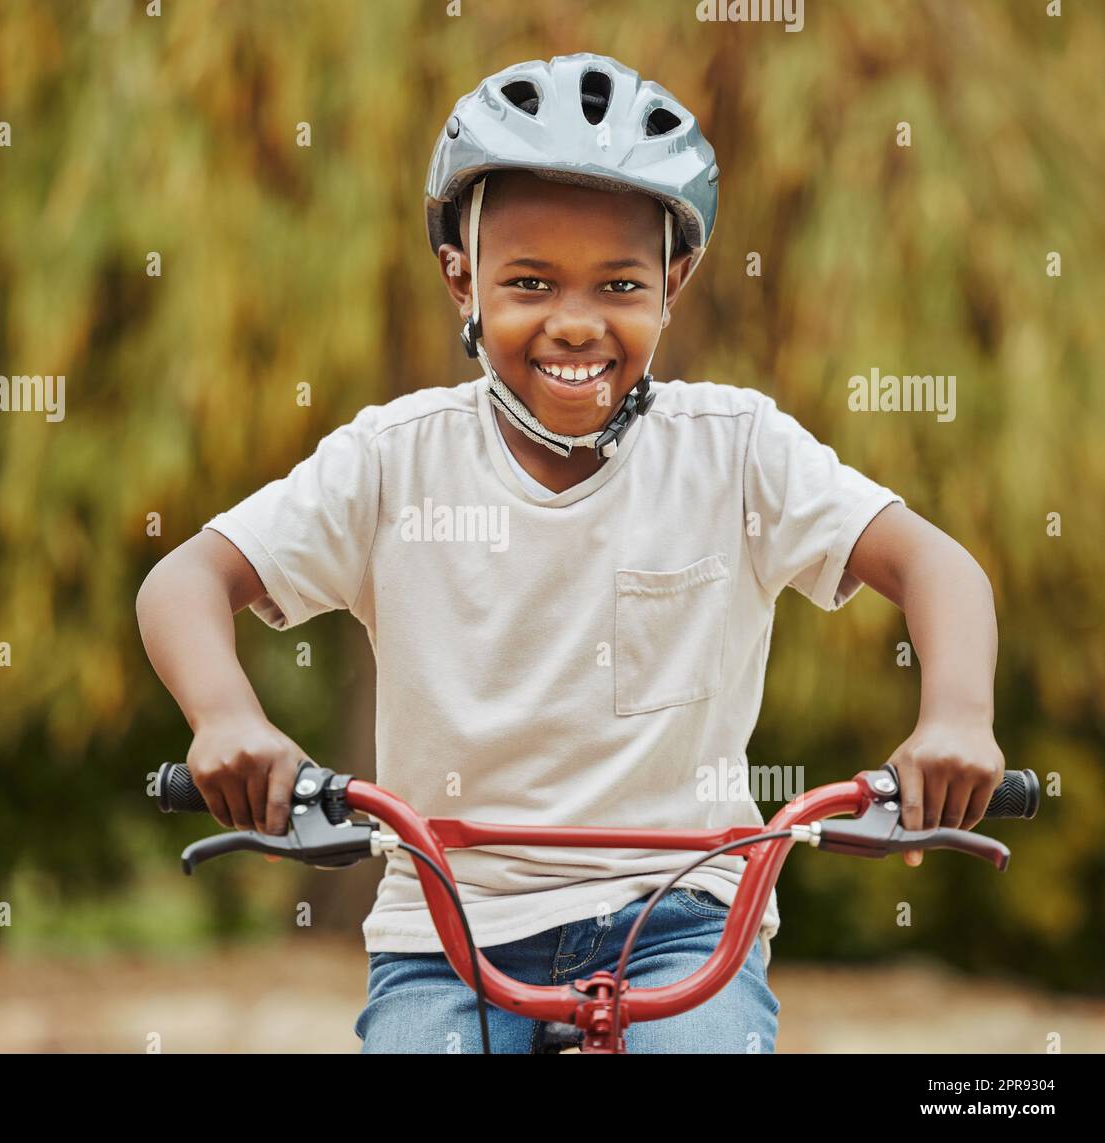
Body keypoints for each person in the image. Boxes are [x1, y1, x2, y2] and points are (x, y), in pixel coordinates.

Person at [135, 52, 1005, 1054]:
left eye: (621, 283)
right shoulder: (390, 463)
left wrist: (955, 718)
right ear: (460, 281)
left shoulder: (737, 453)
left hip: (680, 921)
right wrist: (227, 719)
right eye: (529, 282)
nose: (576, 322)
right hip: (447, 932)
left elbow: (937, 566)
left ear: (674, 285)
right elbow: (186, 578)